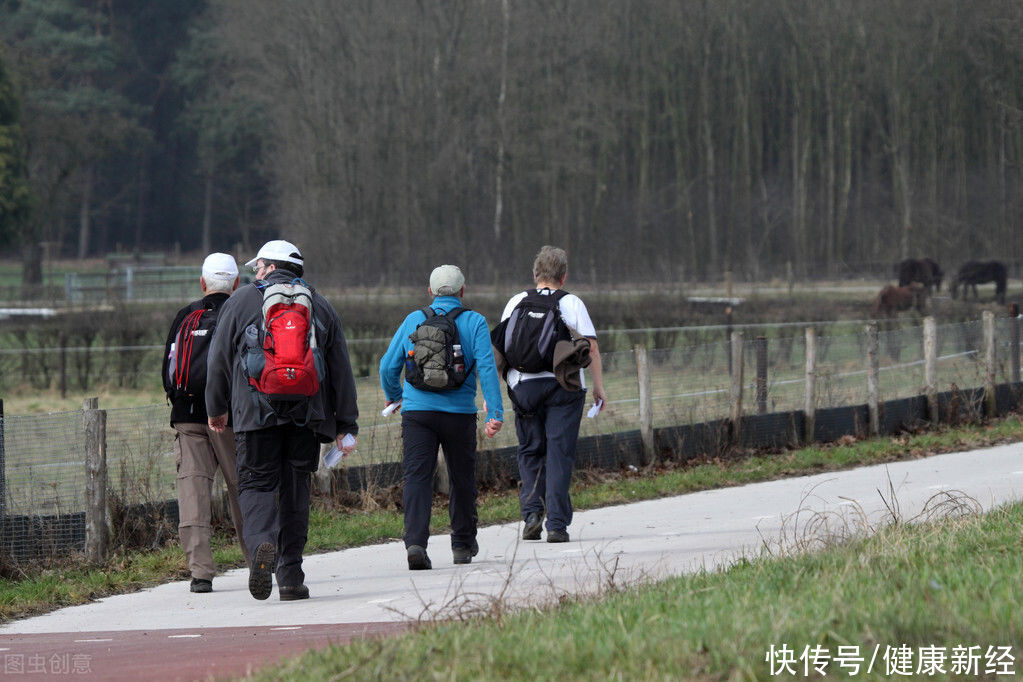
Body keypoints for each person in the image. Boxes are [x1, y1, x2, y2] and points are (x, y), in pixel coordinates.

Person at [205, 239, 359, 601]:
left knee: (256, 486)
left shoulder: (242, 301)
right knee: (295, 490)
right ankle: (291, 576)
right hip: (305, 415)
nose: (255, 272)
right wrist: (346, 424)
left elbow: (218, 360)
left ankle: (261, 544)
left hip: (254, 415)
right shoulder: (319, 303)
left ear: (270, 267)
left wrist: (217, 408)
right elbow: (341, 371)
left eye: (258, 266)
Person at [379, 264, 504, 570]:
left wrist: (396, 396)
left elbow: (386, 366)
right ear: (463, 292)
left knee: (417, 478)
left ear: (430, 291)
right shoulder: (474, 322)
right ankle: (462, 544)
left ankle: (416, 545)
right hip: (459, 414)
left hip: (418, 413)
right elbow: (487, 368)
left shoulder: (414, 319)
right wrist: (495, 411)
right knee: (462, 479)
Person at [498, 245, 607, 543]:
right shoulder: (572, 303)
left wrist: (495, 391)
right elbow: (591, 347)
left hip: (523, 387)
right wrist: (598, 386)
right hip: (564, 386)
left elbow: (501, 348)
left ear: (535, 275)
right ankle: (557, 525)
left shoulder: (516, 302)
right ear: (564, 276)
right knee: (559, 454)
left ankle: (532, 512)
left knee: (531, 450)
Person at [162, 253, 249, 593]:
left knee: (193, 491)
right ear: (236, 284)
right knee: (243, 487)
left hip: (188, 417)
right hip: (230, 418)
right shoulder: (240, 313)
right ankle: (258, 556)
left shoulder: (186, 316)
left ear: (202, 283)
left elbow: (168, 368)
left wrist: (183, 402)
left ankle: (200, 573)